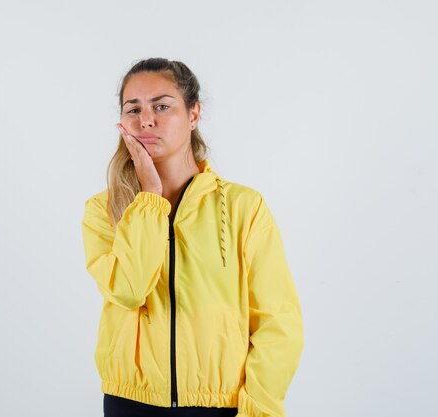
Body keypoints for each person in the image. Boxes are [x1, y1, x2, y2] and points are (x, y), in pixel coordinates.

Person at [81, 57, 304, 417]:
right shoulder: (103, 211)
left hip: (221, 405)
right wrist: (150, 198)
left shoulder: (244, 207)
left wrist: (257, 409)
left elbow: (278, 321)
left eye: (162, 106)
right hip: (130, 403)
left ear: (194, 114)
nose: (146, 119)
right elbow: (129, 289)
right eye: (133, 109)